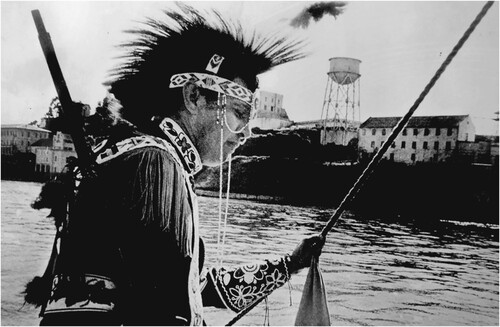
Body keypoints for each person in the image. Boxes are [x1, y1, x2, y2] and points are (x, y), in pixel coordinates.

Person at [29, 4, 324, 325]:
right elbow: (166, 313)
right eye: (240, 113)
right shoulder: (156, 163)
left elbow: (193, 289)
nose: (246, 133)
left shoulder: (125, 154)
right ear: (195, 96)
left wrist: (288, 265)